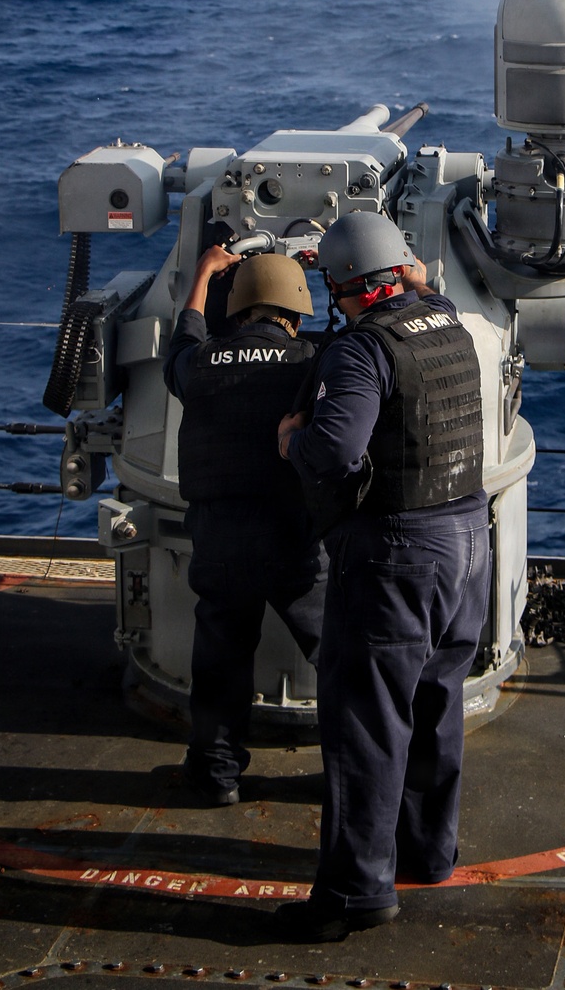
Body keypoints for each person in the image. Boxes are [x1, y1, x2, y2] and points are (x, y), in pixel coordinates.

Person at [275, 211, 489, 943]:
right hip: (468, 540)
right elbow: (421, 290)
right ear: (399, 272)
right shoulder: (446, 322)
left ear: (342, 288)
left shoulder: (361, 352)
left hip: (399, 552)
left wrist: (294, 439)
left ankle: (354, 892)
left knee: (366, 724)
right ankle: (429, 854)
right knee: (435, 703)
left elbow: (336, 453)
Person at [163, 244, 327, 806]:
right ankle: (355, 772)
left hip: (220, 537)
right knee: (336, 655)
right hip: (295, 538)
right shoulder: (314, 360)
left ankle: (215, 775)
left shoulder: (197, 365)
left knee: (221, 659)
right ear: (297, 314)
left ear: (235, 314)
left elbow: (182, 337)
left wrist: (205, 272)